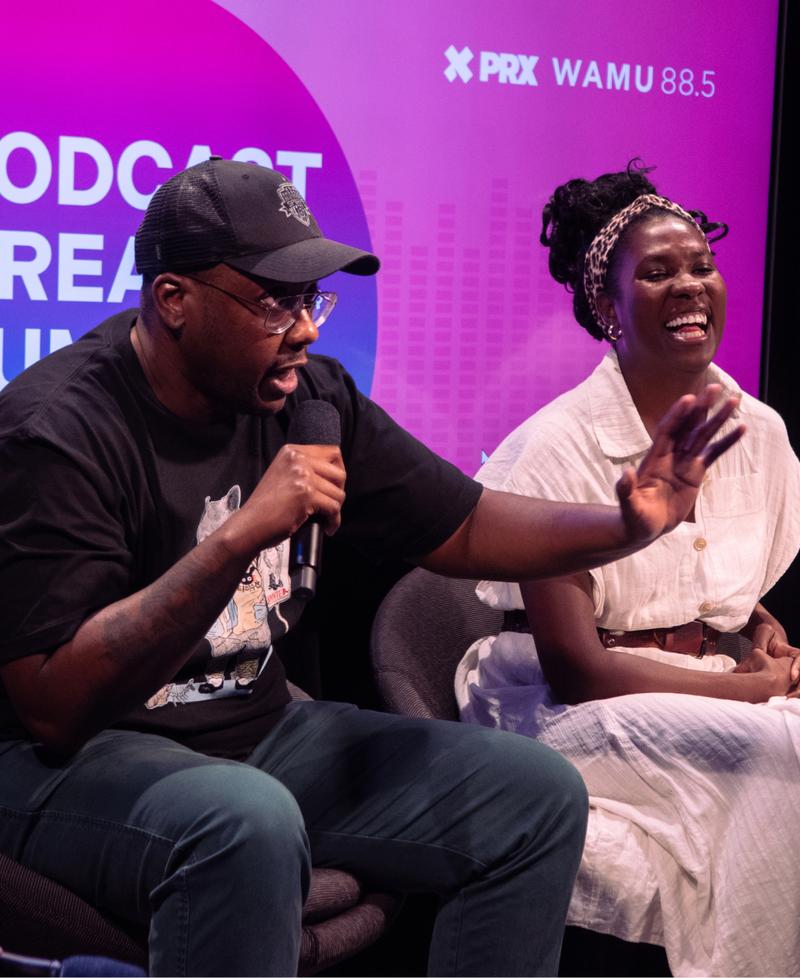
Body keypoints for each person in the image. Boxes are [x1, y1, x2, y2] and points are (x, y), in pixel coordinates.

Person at [0, 159, 740, 978]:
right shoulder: (56, 430)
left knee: (534, 797)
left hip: (254, 736)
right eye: (273, 301)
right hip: (66, 764)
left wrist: (624, 526)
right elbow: (54, 704)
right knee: (246, 820)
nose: (305, 329)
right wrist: (236, 540)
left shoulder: (309, 396)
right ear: (174, 300)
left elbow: (466, 525)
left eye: (309, 299)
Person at [456, 163, 800, 977]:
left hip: (694, 679)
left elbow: (719, 587)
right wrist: (750, 691)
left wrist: (755, 631)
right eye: (656, 273)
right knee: (774, 756)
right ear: (607, 309)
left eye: (700, 267)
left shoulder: (761, 432)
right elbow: (576, 670)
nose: (689, 286)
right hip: (566, 706)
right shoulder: (551, 449)